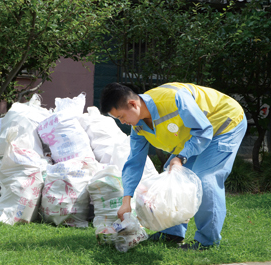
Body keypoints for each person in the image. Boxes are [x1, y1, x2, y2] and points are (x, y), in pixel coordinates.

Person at [100, 82, 247, 250]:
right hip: (196, 135)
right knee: (173, 177)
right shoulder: (138, 125)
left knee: (205, 179)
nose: (122, 122)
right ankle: (172, 233)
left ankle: (208, 242)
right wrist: (126, 200)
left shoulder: (175, 99)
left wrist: (181, 157)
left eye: (121, 117)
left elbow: (203, 130)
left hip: (224, 125)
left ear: (133, 104)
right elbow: (134, 162)